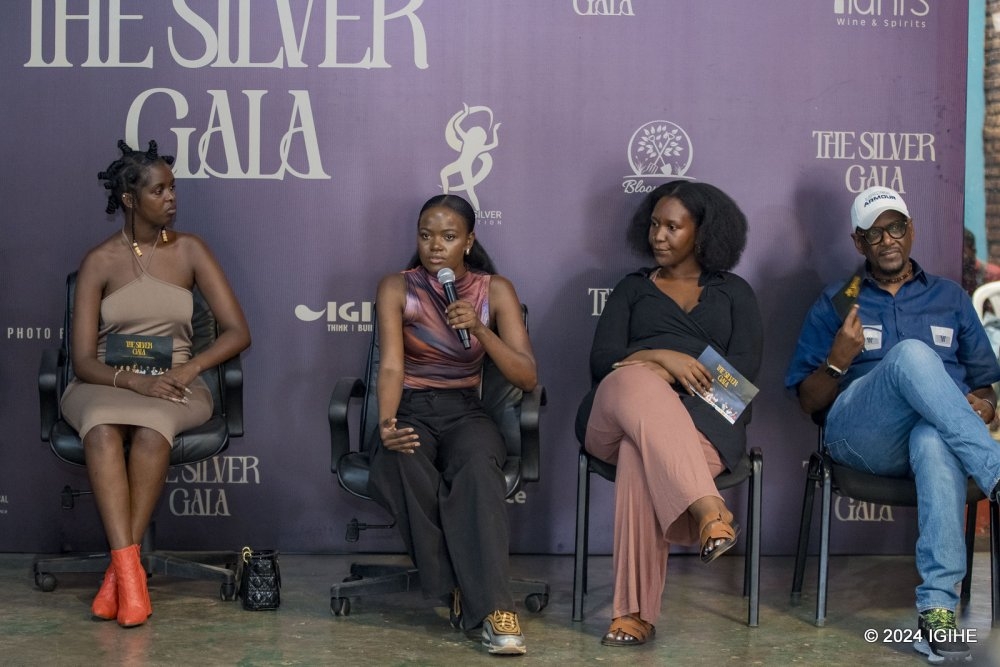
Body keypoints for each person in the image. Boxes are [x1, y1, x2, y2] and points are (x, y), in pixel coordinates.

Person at [785, 186, 1000, 663]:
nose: (887, 240)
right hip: (861, 438)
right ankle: (996, 472)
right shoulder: (838, 302)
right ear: (859, 243)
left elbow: (988, 392)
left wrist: (982, 409)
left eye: (896, 227)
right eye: (874, 233)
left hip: (933, 442)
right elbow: (807, 401)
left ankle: (937, 617)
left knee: (933, 437)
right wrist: (838, 363)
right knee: (912, 356)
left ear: (911, 230)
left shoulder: (950, 298)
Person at [60, 139, 250, 627]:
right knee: (101, 428)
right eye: (159, 189)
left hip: (176, 382)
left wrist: (187, 371)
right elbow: (82, 360)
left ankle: (117, 580)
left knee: (151, 431)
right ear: (129, 199)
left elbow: (238, 332)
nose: (172, 198)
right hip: (106, 380)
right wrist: (134, 383)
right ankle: (129, 575)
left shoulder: (191, 250)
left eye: (173, 187)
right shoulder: (98, 261)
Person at [575, 180, 763, 647]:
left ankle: (633, 614)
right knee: (633, 380)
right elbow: (603, 366)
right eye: (655, 225)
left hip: (707, 425)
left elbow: (739, 385)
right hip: (615, 413)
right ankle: (707, 510)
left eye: (672, 227)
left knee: (640, 456)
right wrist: (663, 359)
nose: (658, 236)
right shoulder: (632, 290)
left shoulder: (735, 293)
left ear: (701, 233)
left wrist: (655, 365)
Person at [367, 194, 537, 655]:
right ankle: (461, 586)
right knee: (402, 460)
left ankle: (498, 611)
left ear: (469, 241)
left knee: (479, 469)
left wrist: (481, 330)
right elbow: (391, 368)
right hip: (412, 406)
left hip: (466, 409)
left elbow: (526, 376)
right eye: (426, 235)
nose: (435, 246)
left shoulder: (494, 290)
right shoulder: (396, 287)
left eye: (448, 236)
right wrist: (386, 422)